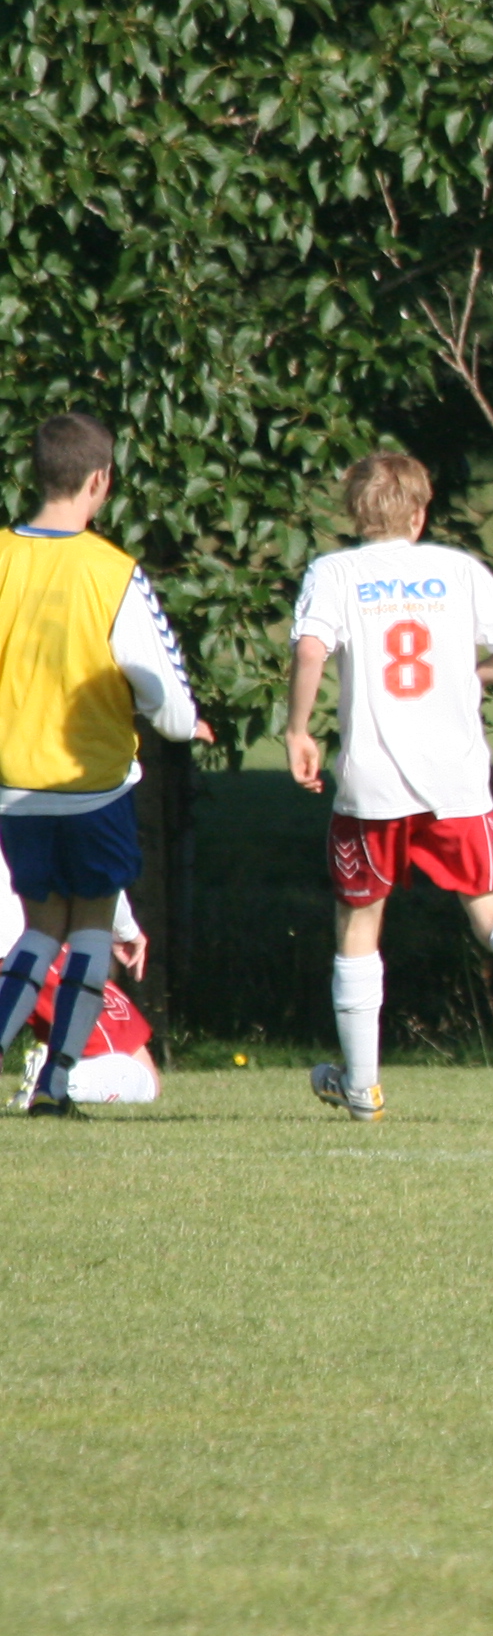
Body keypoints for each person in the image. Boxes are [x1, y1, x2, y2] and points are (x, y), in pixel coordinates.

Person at [281, 450, 493, 1119]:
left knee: (359, 922)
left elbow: (311, 648)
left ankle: (362, 1087)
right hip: (456, 779)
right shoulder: (457, 569)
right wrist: (473, 676)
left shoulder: (335, 572)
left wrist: (298, 729)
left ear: (353, 513)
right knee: (491, 912)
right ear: (420, 513)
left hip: (372, 782)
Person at [0, 412, 200, 1117]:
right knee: (88, 929)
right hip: (92, 786)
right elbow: (164, 690)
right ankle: (55, 1086)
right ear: (100, 480)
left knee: (38, 928)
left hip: (15, 786)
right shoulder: (113, 572)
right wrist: (183, 723)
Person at [0, 880, 153, 1105]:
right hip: (23, 947)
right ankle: (60, 1079)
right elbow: (99, 870)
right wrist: (125, 929)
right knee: (142, 1071)